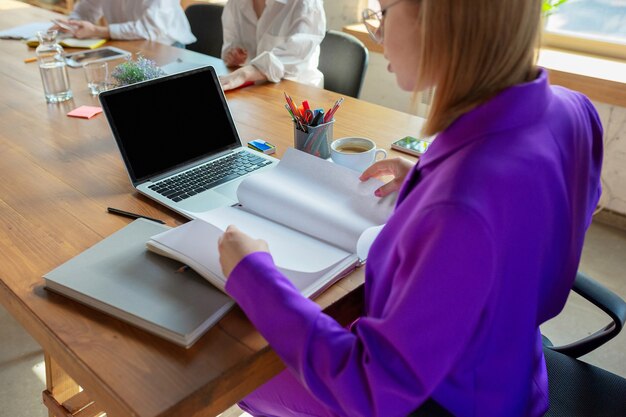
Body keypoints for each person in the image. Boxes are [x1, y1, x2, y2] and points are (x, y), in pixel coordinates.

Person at [217, 0, 604, 415]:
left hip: (441, 401)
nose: (378, 33)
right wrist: (429, 178)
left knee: (229, 360)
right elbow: (524, 222)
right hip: (513, 369)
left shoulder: (460, 205)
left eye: (382, 12)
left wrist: (255, 273)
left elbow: (371, 390)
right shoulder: (575, 111)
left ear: (435, 19)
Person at [218, 0, 326, 91]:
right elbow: (230, 43)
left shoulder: (307, 2)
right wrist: (233, 56)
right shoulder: (235, 3)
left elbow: (296, 54)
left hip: (298, 89)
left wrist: (245, 73)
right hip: (252, 89)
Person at [51, 0, 196, 48]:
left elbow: (149, 30)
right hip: (124, 43)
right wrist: (72, 24)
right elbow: (87, 8)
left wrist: (96, 30)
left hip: (165, 46)